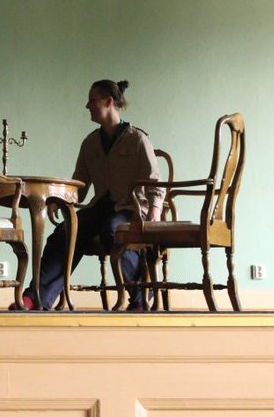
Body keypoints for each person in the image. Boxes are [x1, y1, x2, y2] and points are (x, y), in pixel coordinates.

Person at [12, 79, 164, 312]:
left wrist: (153, 214)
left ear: (108, 102)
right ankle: (36, 299)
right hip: (100, 207)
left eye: (92, 100)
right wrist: (58, 200)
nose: (87, 106)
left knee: (113, 231)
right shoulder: (90, 143)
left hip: (130, 208)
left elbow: (155, 182)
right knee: (64, 232)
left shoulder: (137, 140)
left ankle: (141, 297)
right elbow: (79, 188)